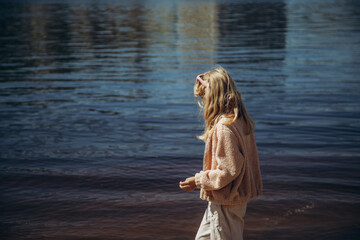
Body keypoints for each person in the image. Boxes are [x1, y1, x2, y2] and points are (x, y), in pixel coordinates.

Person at [179, 67, 263, 240]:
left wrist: (198, 181)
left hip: (226, 200)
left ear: (213, 99)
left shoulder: (224, 128)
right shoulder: (240, 120)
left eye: (204, 98)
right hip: (226, 198)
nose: (202, 104)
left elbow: (229, 171)